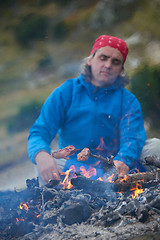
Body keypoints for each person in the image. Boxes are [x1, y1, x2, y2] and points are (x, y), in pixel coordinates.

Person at [28, 35, 148, 184]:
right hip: (76, 170)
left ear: (120, 69)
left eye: (115, 62)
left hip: (117, 169)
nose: (108, 65)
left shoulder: (128, 100)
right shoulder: (66, 92)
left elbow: (132, 138)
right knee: (41, 163)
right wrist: (41, 155)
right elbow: (39, 132)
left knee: (155, 147)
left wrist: (123, 160)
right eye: (103, 58)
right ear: (90, 60)